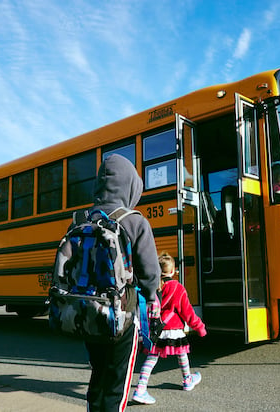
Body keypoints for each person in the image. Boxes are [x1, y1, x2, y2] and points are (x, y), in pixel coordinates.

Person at [84, 154, 161, 412]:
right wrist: (152, 298)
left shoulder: (83, 219)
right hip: (122, 313)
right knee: (118, 381)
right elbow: (150, 271)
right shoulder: (135, 220)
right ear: (131, 185)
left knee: (98, 372)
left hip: (87, 312)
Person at [132, 252, 207, 405]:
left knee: (151, 358)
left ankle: (140, 388)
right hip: (173, 329)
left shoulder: (153, 287)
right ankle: (187, 380)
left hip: (156, 329)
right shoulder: (177, 288)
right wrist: (199, 327)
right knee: (182, 354)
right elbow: (187, 312)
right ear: (173, 271)